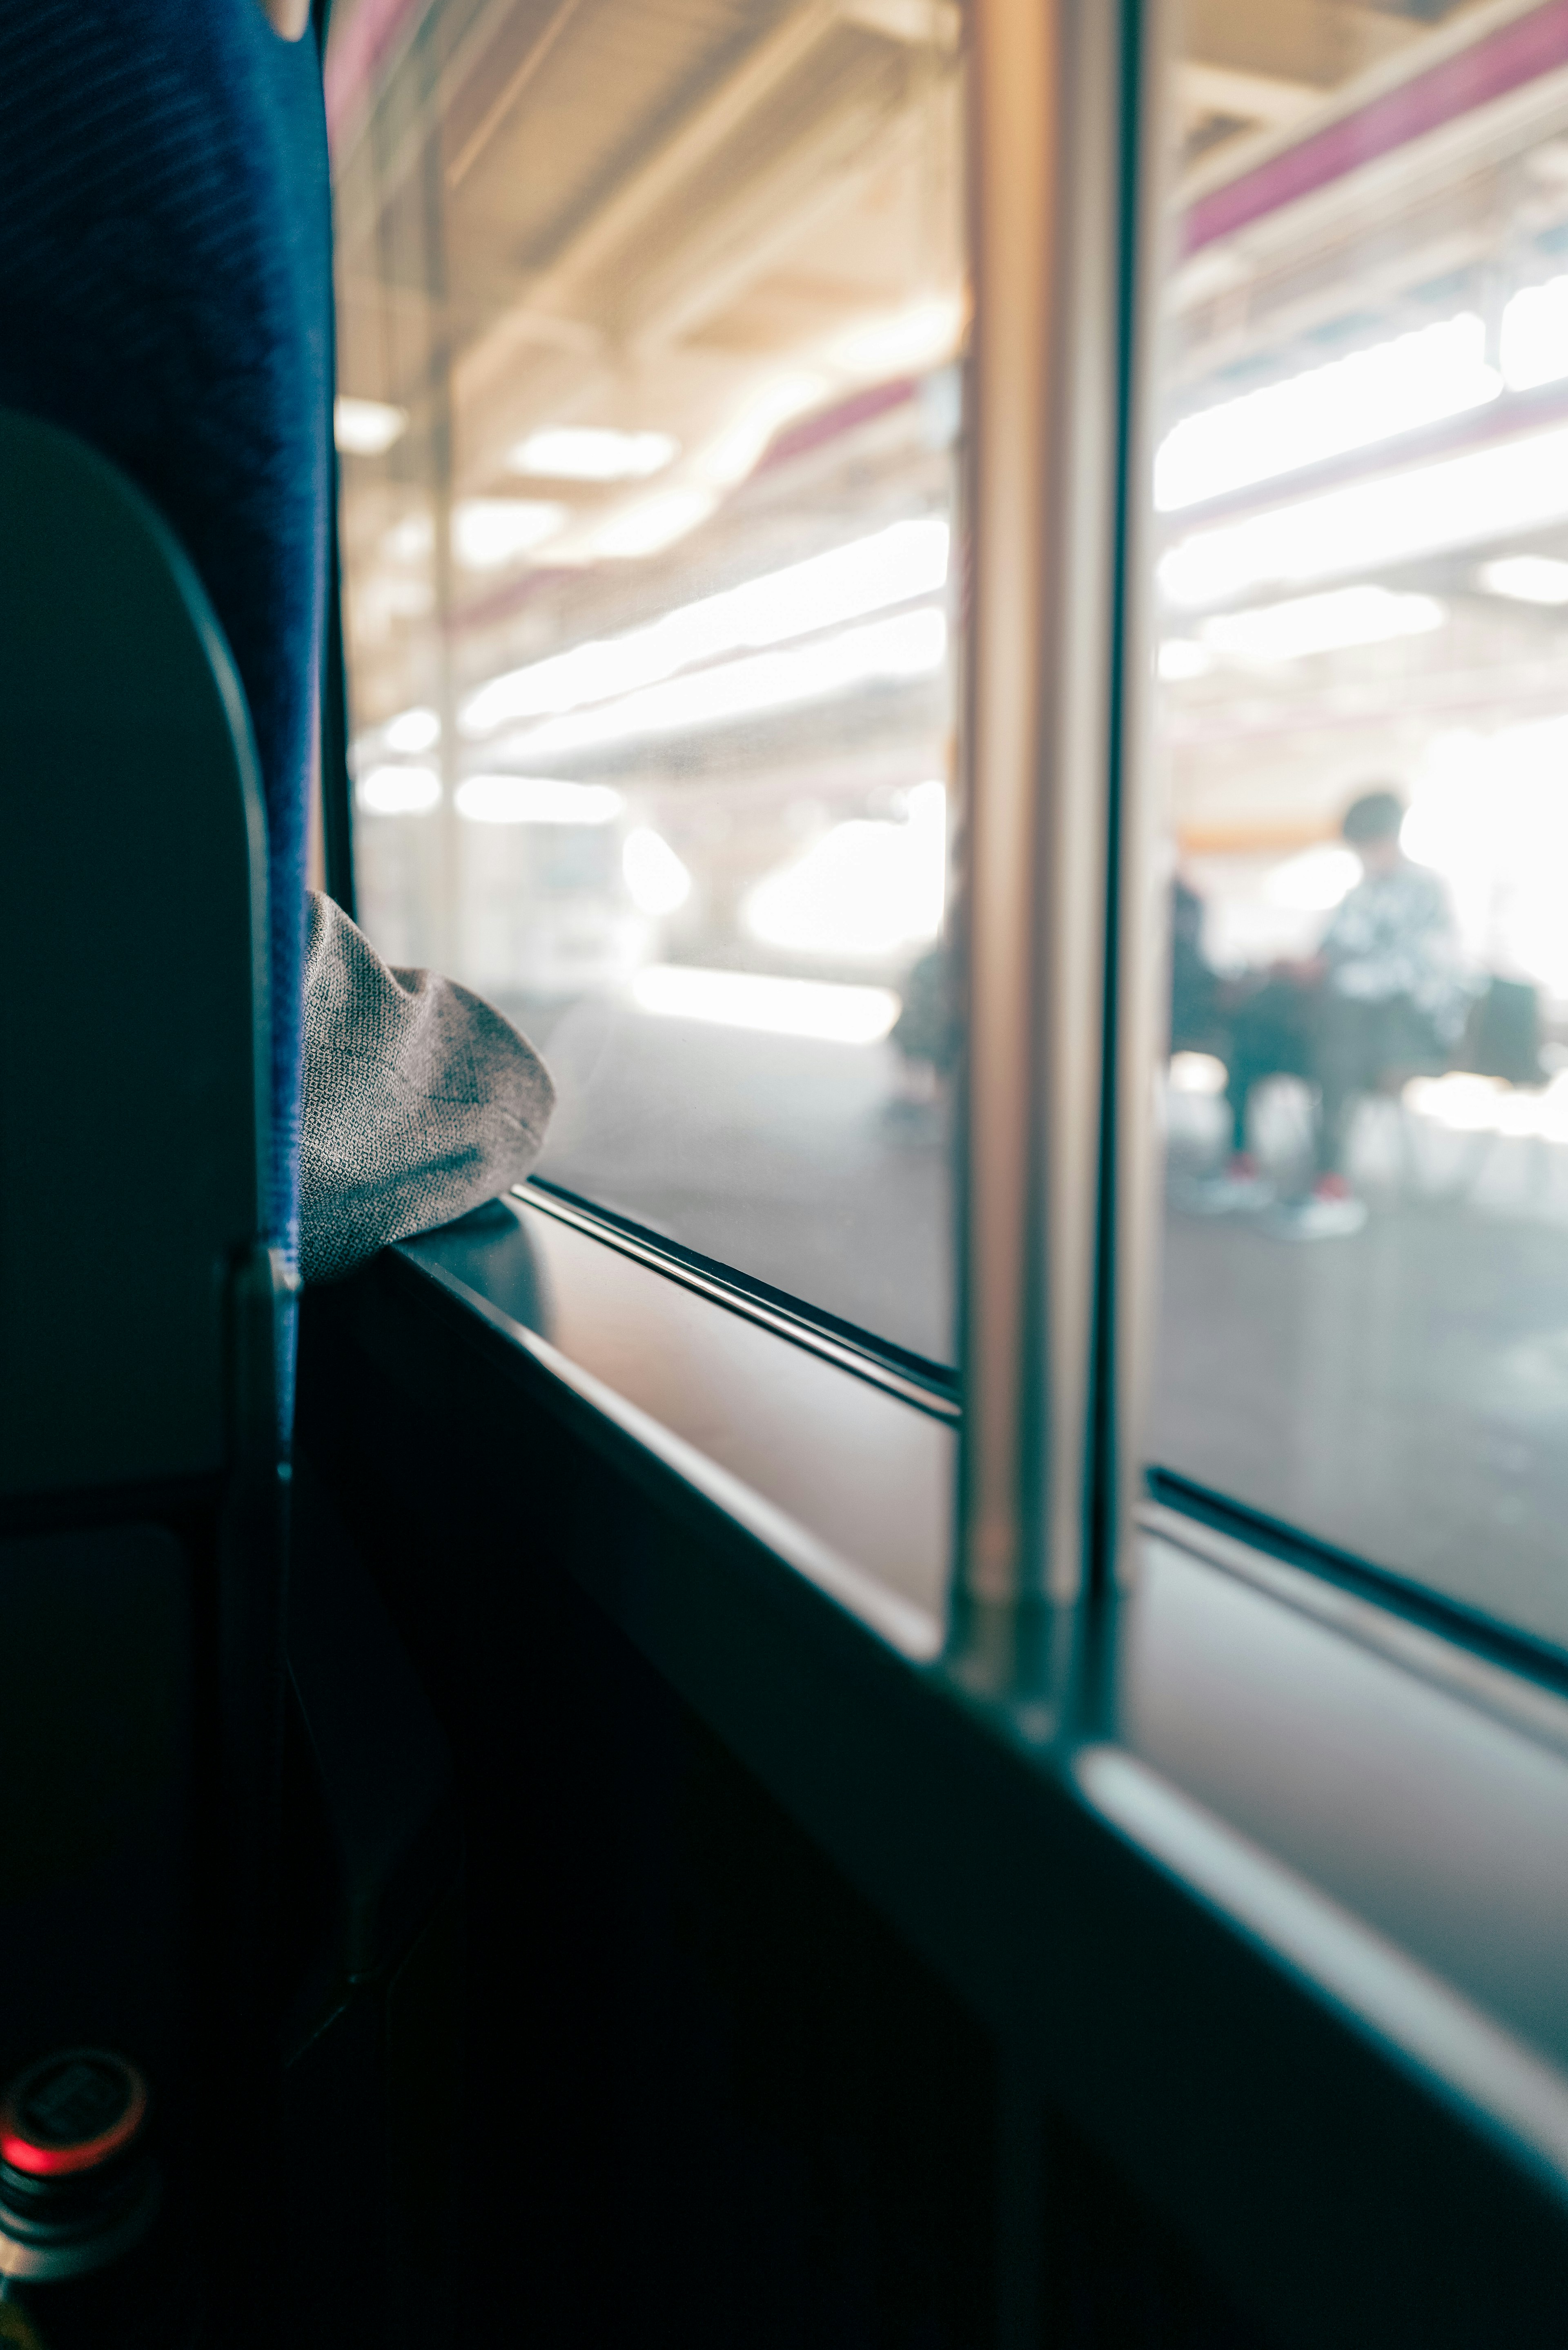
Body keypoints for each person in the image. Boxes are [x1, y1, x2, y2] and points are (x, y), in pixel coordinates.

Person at [1196, 788, 1469, 1239]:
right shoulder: (1359, 894)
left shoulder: (1425, 891)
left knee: (1342, 1023)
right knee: (1256, 1009)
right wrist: (1296, 971)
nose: (1364, 856)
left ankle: (1331, 1186)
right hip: (1339, 1021)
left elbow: (1412, 975)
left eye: (1369, 844)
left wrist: (1331, 975)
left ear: (1389, 837)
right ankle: (1241, 1163)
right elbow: (1327, 956)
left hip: (1405, 1029)